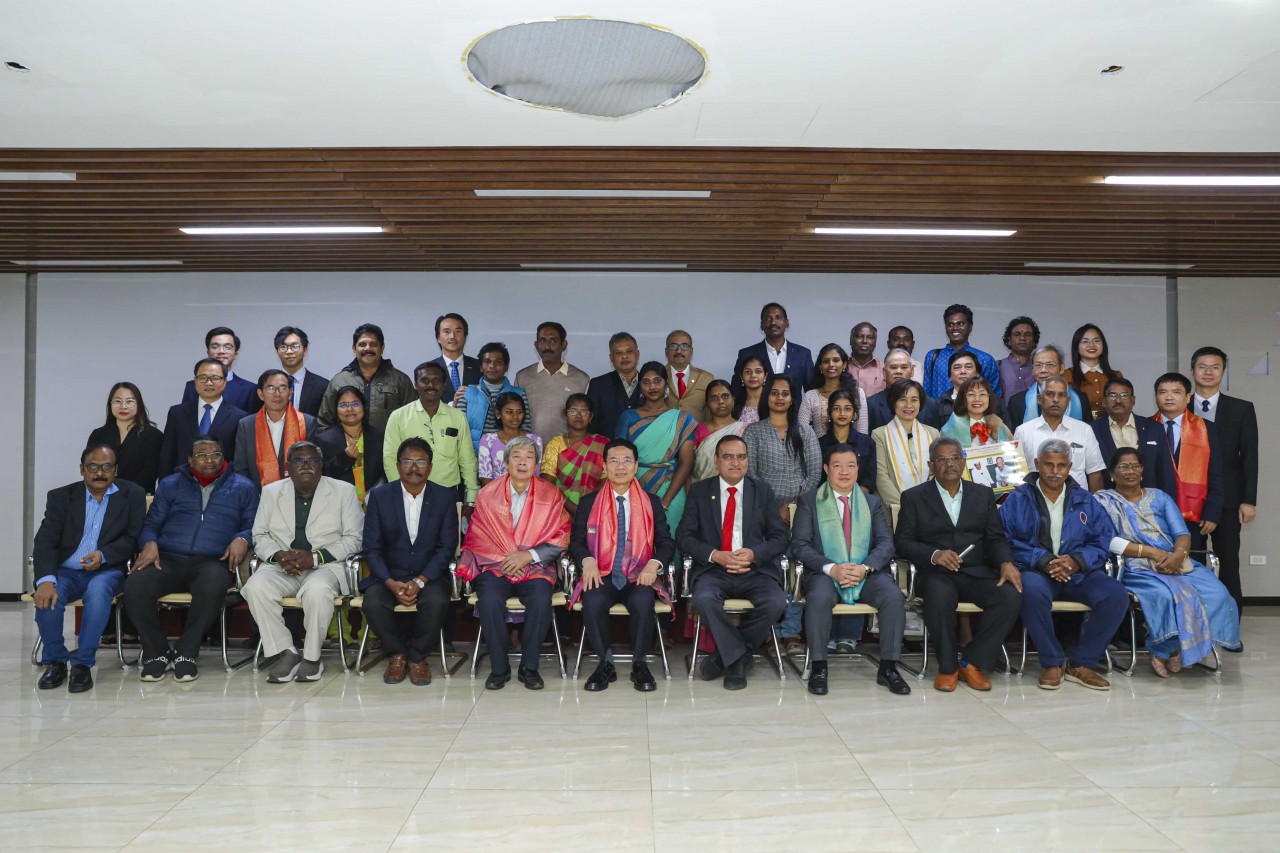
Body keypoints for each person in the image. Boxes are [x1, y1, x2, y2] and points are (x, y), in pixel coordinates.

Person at [1095, 447, 1241, 676]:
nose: (1130, 471)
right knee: (1165, 595)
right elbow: (1105, 540)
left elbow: (1182, 534)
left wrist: (1178, 555)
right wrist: (1151, 553)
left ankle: (1177, 649)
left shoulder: (1159, 497)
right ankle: (1164, 648)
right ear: (1112, 473)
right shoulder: (1103, 501)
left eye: (1135, 466)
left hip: (1177, 562)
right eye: (1123, 466)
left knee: (1218, 594)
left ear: (1142, 471)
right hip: (1135, 567)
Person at [124, 435, 258, 682]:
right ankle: (157, 652)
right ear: (190, 460)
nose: (209, 460)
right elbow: (151, 523)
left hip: (213, 560)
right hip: (167, 558)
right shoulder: (170, 484)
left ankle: (186, 652)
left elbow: (254, 524)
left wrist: (243, 538)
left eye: (216, 454)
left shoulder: (243, 486)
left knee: (213, 585)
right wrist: (149, 542)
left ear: (224, 457)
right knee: (135, 585)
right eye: (202, 455)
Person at [895, 437, 1022, 691]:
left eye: (954, 458)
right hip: (936, 573)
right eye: (941, 459)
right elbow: (902, 542)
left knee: (1010, 595)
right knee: (939, 595)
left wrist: (1006, 562)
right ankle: (948, 667)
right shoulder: (914, 497)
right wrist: (934, 554)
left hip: (976, 572)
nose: (949, 464)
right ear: (931, 465)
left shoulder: (982, 494)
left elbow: (995, 538)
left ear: (963, 462)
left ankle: (972, 661)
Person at [1000, 439, 1128, 690]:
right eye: (1048, 464)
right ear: (1037, 464)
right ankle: (1052, 662)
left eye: (1061, 465)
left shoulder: (1085, 500)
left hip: (1078, 572)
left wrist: (1077, 561)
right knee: (1031, 592)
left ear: (1069, 467)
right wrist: (1042, 559)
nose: (1055, 471)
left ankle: (1082, 663)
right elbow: (1004, 540)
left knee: (1116, 595)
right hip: (1036, 571)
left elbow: (1102, 539)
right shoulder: (1018, 498)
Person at [791, 444, 909, 696]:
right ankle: (819, 666)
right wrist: (832, 568)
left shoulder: (871, 502)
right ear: (826, 469)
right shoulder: (810, 501)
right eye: (837, 466)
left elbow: (886, 543)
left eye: (851, 465)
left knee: (892, 596)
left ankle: (888, 667)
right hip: (825, 573)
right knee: (819, 597)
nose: (844, 472)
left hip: (865, 573)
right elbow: (799, 545)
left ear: (858, 469)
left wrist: (865, 567)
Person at [243, 442, 363, 683]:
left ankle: (311, 657)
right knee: (255, 587)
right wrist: (278, 555)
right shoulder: (271, 491)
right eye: (299, 461)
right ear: (288, 467)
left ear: (321, 466)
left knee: (317, 591)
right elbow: (260, 535)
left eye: (312, 461)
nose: (306, 466)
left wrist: (316, 557)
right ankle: (286, 652)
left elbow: (355, 539)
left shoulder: (344, 491)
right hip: (282, 565)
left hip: (326, 567)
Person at [457, 437, 571, 690]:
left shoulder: (551, 494)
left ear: (536, 464)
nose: (522, 462)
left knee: (541, 600)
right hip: (495, 566)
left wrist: (527, 556)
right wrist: (506, 558)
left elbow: (562, 536)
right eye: (516, 456)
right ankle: (499, 669)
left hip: (536, 566)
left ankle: (529, 668)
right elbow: (477, 535)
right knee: (489, 600)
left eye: (529, 457)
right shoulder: (488, 494)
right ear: (506, 463)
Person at [676, 435, 789, 690]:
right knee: (704, 598)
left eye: (741, 457)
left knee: (776, 602)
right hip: (714, 570)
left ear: (748, 460)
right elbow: (684, 536)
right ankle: (739, 659)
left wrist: (753, 554)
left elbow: (780, 536)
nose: (735, 463)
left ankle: (729, 655)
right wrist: (716, 555)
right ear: (716, 461)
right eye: (728, 457)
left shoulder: (762, 490)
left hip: (755, 570)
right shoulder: (701, 491)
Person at [32, 445, 146, 693]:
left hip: (107, 570)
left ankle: (82, 664)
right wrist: (46, 579)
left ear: (116, 470)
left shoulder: (132, 494)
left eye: (107, 467)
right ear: (82, 469)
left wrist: (104, 555)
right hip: (65, 572)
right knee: (49, 596)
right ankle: (56, 661)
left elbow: (132, 537)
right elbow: (45, 541)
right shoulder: (61, 497)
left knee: (98, 592)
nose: (99, 473)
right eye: (93, 466)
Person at [570, 438, 675, 692]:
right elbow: (577, 542)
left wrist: (654, 564)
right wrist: (587, 560)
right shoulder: (589, 502)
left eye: (627, 460)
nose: (620, 466)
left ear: (636, 466)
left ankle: (640, 663)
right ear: (604, 466)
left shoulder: (651, 502)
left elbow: (666, 543)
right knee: (593, 601)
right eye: (613, 461)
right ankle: (605, 664)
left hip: (639, 574)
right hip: (602, 573)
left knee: (642, 602)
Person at [360, 439, 460, 685]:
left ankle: (417, 657)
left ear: (430, 467)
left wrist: (421, 580)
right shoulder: (380, 497)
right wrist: (390, 582)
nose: (414, 468)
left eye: (421, 462)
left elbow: (446, 547)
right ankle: (397, 654)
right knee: (373, 602)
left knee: (437, 601)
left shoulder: (444, 496)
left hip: (429, 575)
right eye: (407, 461)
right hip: (389, 574)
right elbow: (371, 548)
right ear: (397, 465)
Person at [743, 373, 820, 655]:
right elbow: (750, 475)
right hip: (763, 514)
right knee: (771, 571)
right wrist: (774, 509)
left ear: (792, 398)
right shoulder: (754, 432)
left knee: (797, 572)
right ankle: (769, 631)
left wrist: (792, 507)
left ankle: (790, 632)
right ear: (767, 397)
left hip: (801, 513)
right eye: (774, 393)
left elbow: (813, 474)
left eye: (785, 393)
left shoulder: (805, 431)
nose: (779, 398)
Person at [1190, 346, 1259, 618]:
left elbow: (1250, 457)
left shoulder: (1241, 409)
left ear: (1223, 371)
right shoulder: (1179, 405)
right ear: (1193, 370)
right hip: (1189, 500)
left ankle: (1230, 624)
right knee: (1190, 561)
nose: (1208, 372)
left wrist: (1248, 500)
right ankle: (1193, 621)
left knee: (1229, 562)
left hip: (1229, 500)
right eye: (1202, 366)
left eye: (1215, 367)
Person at [616, 362, 698, 536]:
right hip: (634, 485)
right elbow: (619, 458)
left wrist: (667, 500)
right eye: (646, 382)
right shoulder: (628, 416)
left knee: (671, 538)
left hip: (672, 486)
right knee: (635, 539)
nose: (652, 386)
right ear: (640, 386)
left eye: (657, 381)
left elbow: (686, 462)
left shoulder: (681, 419)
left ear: (666, 384)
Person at [1152, 371, 1225, 567]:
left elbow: (1216, 473)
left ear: (1187, 397)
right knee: (1159, 565)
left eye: (1176, 392)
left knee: (1193, 565)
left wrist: (1212, 512)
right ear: (1156, 396)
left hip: (1195, 513)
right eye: (1162, 392)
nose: (1168, 397)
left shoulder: (1205, 428)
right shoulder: (1146, 427)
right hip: (1155, 513)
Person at [383, 362, 479, 507]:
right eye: (425, 380)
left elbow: (468, 460)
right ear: (416, 384)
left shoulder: (457, 416)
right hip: (410, 494)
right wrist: (400, 492)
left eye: (436, 381)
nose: (431, 385)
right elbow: (390, 459)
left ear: (444, 384)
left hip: (449, 495)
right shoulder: (398, 416)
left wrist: (471, 499)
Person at [1013, 376, 1105, 492]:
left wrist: (1093, 507)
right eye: (1050, 394)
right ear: (1039, 399)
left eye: (1061, 395)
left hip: (1077, 504)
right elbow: (1017, 476)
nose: (1056, 399)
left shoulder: (1084, 430)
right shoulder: (1023, 432)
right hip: (1035, 504)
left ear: (1068, 401)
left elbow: (1095, 472)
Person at [317, 323, 415, 431]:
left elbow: (412, 420)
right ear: (354, 349)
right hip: (346, 447)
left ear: (382, 348)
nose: (368, 348)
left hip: (388, 447)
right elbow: (324, 424)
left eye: (373, 344)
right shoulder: (339, 381)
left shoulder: (401, 381)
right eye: (362, 344)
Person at [1090, 377, 1176, 498]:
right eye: (1112, 395)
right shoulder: (1091, 430)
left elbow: (1166, 472)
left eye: (1124, 395)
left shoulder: (1154, 428)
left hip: (1149, 503)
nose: (1118, 400)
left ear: (1133, 400)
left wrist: (1168, 505)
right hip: (1108, 503)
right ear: (1104, 401)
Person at [159, 358, 247, 475]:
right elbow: (168, 455)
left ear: (225, 381)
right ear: (195, 380)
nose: (209, 383)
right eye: (203, 378)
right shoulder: (177, 413)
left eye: (215, 378)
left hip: (223, 483)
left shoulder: (239, 417)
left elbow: (240, 459)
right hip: (182, 483)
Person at [233, 369, 318, 489]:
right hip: (257, 497)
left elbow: (314, 465)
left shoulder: (307, 422)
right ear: (260, 394)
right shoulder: (246, 425)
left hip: (298, 494)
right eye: (271, 388)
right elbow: (241, 468)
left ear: (290, 393)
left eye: (283, 388)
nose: (277, 394)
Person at [514, 321, 591, 442]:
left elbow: (585, 420)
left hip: (568, 453)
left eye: (553, 341)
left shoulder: (581, 379)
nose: (547, 346)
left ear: (564, 345)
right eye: (543, 341)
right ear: (536, 345)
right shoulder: (523, 377)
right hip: (530, 453)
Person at [312, 385, 385, 506]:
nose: (350, 409)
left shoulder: (379, 436)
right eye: (343, 405)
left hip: (376, 502)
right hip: (337, 503)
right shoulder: (323, 439)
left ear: (364, 407)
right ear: (336, 409)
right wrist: (344, 458)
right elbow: (319, 474)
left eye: (355, 404)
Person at [872, 379, 940, 508]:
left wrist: (926, 503)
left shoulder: (933, 433)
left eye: (914, 400)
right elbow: (881, 476)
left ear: (920, 403)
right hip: (896, 507)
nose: (909, 405)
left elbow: (936, 472)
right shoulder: (879, 434)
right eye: (902, 399)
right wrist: (905, 505)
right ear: (893, 403)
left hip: (930, 506)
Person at [86, 382, 164, 493]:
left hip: (138, 499)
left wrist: (120, 494)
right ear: (110, 404)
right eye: (118, 401)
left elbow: (150, 474)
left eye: (129, 401)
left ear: (138, 405)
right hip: (102, 497)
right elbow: (90, 469)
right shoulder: (98, 434)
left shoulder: (153, 436)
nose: (123, 406)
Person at [540, 393, 608, 517]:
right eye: (573, 411)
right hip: (560, 509)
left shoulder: (603, 444)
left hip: (594, 510)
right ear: (565, 414)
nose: (578, 416)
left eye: (584, 411)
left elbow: (607, 480)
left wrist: (587, 507)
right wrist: (572, 507)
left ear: (591, 416)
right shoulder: (555, 444)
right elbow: (548, 483)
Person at [455, 342, 533, 450]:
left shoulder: (519, 394)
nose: (492, 366)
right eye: (487, 362)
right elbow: (459, 430)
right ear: (481, 367)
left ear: (506, 367)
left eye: (498, 362)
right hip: (474, 460)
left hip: (509, 458)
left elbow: (526, 430)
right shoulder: (468, 393)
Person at [732, 302, 815, 396]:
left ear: (786, 323)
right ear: (762, 325)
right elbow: (736, 390)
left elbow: (812, 392)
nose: (773, 322)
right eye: (768, 318)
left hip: (794, 410)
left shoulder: (802, 354)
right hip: (757, 410)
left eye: (778, 317)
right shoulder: (747, 354)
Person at [922, 304, 1001, 399]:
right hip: (940, 413)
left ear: (970, 327)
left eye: (960, 324)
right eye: (950, 324)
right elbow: (927, 394)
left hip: (974, 412)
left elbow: (994, 396)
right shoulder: (933, 356)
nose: (955, 328)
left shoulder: (984, 359)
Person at [1007, 345, 1090, 429]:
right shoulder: (1017, 402)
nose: (1043, 370)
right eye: (1038, 365)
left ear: (1061, 368)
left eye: (1049, 365)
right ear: (1032, 370)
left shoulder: (1080, 399)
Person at [180, 326, 260, 413]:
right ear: (208, 353)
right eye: (215, 346)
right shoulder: (192, 386)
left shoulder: (250, 389)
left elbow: (250, 424)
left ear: (235, 354)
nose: (221, 351)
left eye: (227, 347)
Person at [797, 343, 869, 436]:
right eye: (826, 361)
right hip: (819, 449)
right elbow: (801, 432)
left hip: (853, 448)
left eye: (836, 360)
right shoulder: (811, 396)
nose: (831, 364)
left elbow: (862, 431)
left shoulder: (858, 393)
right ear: (820, 367)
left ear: (844, 365)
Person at [923, 351, 1008, 429]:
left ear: (978, 374)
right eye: (957, 368)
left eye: (968, 367)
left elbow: (1007, 436)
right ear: (949, 377)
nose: (963, 371)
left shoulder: (994, 401)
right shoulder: (940, 404)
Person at [586, 332, 645, 439]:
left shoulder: (649, 384)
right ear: (611, 358)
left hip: (644, 451)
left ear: (637, 354)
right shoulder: (598, 385)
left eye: (629, 351)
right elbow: (591, 425)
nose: (624, 356)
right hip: (607, 451)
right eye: (618, 353)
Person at [817, 390, 876, 494]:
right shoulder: (819, 444)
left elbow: (869, 479)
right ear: (829, 412)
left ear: (854, 413)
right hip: (826, 500)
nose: (842, 413)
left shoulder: (867, 443)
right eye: (836, 409)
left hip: (860, 500)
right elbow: (817, 479)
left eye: (847, 409)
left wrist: (854, 498)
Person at [478, 391, 543, 485]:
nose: (515, 416)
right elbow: (486, 478)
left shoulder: (535, 441)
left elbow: (535, 476)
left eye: (519, 412)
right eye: (509, 412)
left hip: (527, 496)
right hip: (495, 496)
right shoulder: (488, 440)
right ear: (498, 414)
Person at [1063, 324, 1123, 421]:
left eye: (1096, 340)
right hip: (1079, 428)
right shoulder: (1066, 375)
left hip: (1110, 429)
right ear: (1076, 347)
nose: (1091, 345)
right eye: (1085, 341)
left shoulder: (1116, 376)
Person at [694, 379, 745, 482]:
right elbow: (690, 464)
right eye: (714, 398)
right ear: (708, 404)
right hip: (703, 489)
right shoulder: (698, 430)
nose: (720, 401)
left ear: (733, 400)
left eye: (725, 396)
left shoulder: (745, 429)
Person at [940, 377, 1012, 449]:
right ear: (963, 398)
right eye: (971, 394)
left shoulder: (1000, 427)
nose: (977, 399)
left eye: (982, 394)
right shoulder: (950, 429)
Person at [273, 326, 328, 417]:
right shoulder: (267, 385)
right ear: (277, 352)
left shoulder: (323, 386)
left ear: (305, 350)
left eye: (295, 346)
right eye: (283, 347)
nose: (289, 351)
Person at [664, 329, 716, 421]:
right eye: (673, 346)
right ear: (666, 351)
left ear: (691, 351)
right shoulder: (658, 377)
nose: (679, 351)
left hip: (698, 433)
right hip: (664, 433)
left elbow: (713, 412)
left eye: (684, 346)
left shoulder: (707, 378)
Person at [431, 313, 481, 404]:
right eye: (447, 331)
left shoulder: (480, 367)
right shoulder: (428, 370)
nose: (452, 336)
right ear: (438, 338)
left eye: (458, 331)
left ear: (465, 336)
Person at [865, 348, 917, 431]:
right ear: (884, 373)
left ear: (912, 371)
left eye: (904, 367)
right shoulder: (870, 405)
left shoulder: (929, 405)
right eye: (893, 367)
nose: (899, 371)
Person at [998, 316, 1040, 405]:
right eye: (1017, 334)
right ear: (1009, 340)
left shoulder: (1041, 368)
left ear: (1034, 341)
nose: (1022, 338)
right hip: (1005, 418)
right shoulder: (997, 366)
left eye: (1027, 334)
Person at [847, 322, 885, 397]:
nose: (864, 341)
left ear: (875, 342)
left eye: (869, 338)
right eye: (859, 337)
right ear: (851, 340)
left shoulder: (884, 369)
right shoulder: (841, 367)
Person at [732, 355, 768, 426]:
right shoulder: (733, 404)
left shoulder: (772, 401)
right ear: (741, 376)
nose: (753, 375)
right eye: (748, 372)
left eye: (758, 372)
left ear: (765, 376)